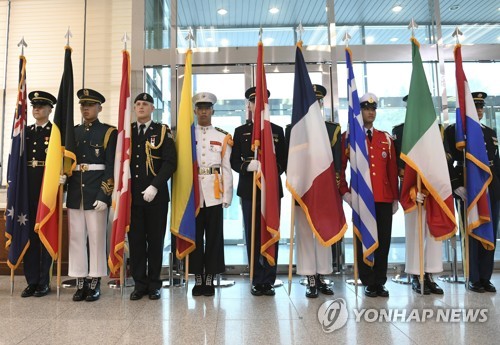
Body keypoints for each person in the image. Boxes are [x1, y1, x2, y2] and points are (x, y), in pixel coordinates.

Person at [339, 92, 399, 298]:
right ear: (359, 111)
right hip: (361, 198)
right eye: (366, 109)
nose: (370, 112)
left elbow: (392, 171)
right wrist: (344, 192)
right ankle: (368, 281)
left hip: (383, 198)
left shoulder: (386, 139)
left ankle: (380, 281)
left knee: (383, 240)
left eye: (373, 109)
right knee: (363, 239)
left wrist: (395, 197)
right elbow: (340, 169)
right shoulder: (349, 137)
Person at [230, 86, 287, 296]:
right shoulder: (240, 132)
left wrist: (270, 171)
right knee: (253, 234)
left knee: (271, 231)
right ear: (249, 105)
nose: (257, 106)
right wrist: (247, 167)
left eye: (261, 102)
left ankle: (269, 279)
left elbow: (283, 160)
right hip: (249, 190)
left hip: (271, 191)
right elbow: (234, 161)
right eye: (254, 102)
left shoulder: (277, 131)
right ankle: (256, 279)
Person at [285, 84, 339, 298]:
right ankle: (309, 277)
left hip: (325, 192)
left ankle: (323, 275)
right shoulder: (294, 129)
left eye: (317, 101)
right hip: (303, 192)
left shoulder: (332, 129)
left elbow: (338, 163)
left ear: (321, 103)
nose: (314, 105)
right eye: (310, 101)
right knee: (306, 235)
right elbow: (289, 162)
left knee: (324, 232)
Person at [445, 91, 500, 293]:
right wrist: (455, 184)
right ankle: (473, 277)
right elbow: (450, 162)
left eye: (480, 107)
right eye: (475, 107)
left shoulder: (490, 132)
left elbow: (497, 163)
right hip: (468, 188)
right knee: (470, 233)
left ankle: (486, 277)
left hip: (490, 188)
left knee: (489, 233)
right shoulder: (454, 132)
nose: (479, 110)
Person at [66, 88, 117, 302]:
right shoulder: (73, 132)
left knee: (96, 238)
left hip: (96, 190)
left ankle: (95, 281)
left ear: (99, 108)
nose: (85, 108)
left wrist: (105, 195)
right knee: (77, 238)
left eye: (90, 105)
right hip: (76, 192)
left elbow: (110, 166)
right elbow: (67, 162)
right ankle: (80, 281)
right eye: (83, 105)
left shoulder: (108, 132)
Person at [392, 95, 446, 295]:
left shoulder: (436, 130)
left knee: (434, 233)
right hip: (411, 192)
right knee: (415, 233)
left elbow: (445, 157)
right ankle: (416, 274)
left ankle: (430, 274)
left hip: (434, 191)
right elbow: (397, 164)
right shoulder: (399, 131)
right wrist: (412, 189)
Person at [128, 92, 177, 301]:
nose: (141, 107)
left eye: (145, 104)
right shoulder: (128, 133)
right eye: (138, 104)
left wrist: (155, 186)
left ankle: (155, 283)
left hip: (156, 197)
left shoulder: (162, 131)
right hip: (132, 198)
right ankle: (139, 284)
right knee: (136, 242)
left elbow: (170, 162)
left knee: (155, 241)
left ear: (152, 108)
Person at [189, 92, 233, 297]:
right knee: (195, 236)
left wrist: (227, 197)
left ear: (212, 111)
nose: (203, 111)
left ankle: (210, 277)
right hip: (194, 194)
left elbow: (226, 168)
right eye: (200, 108)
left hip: (214, 193)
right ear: (195, 111)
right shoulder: (188, 135)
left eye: (207, 108)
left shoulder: (222, 136)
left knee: (214, 237)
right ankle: (198, 277)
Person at [21, 91, 57, 298]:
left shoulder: (55, 133)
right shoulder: (24, 132)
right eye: (34, 106)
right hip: (28, 190)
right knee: (30, 237)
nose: (37, 109)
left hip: (46, 190)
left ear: (50, 109)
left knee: (44, 236)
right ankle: (31, 281)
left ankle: (44, 281)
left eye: (41, 106)